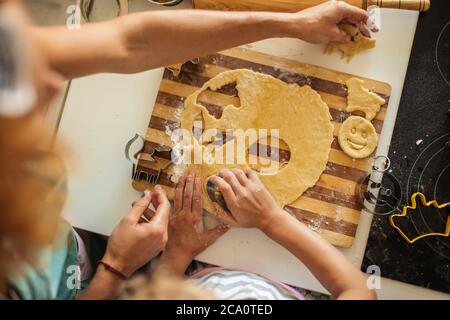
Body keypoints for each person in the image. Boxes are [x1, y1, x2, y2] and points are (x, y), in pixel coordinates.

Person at [0, 0, 373, 299]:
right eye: (23, 98)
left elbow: (131, 43)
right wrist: (116, 267)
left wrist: (290, 22)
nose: (55, 85)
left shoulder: (10, 57)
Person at [124, 171, 376, 300]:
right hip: (296, 285)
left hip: (190, 275)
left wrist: (176, 256)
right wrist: (270, 219)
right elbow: (360, 291)